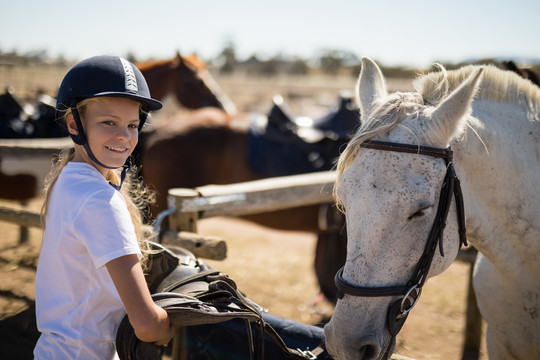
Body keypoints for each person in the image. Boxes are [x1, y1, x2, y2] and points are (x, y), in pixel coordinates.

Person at [34, 55, 175, 359]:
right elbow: (148, 326)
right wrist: (173, 328)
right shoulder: (100, 200)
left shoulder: (69, 178)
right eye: (109, 122)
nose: (124, 136)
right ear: (75, 124)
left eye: (132, 125)